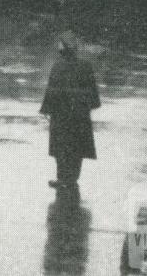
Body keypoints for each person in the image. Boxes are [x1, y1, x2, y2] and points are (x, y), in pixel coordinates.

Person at [40, 31, 101, 190]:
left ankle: (62, 178)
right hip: (79, 115)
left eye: (60, 44)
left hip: (61, 116)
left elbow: (51, 91)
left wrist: (46, 109)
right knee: (77, 148)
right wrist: (88, 106)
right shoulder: (85, 66)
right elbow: (93, 92)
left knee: (61, 148)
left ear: (64, 47)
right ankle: (72, 178)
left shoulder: (58, 66)